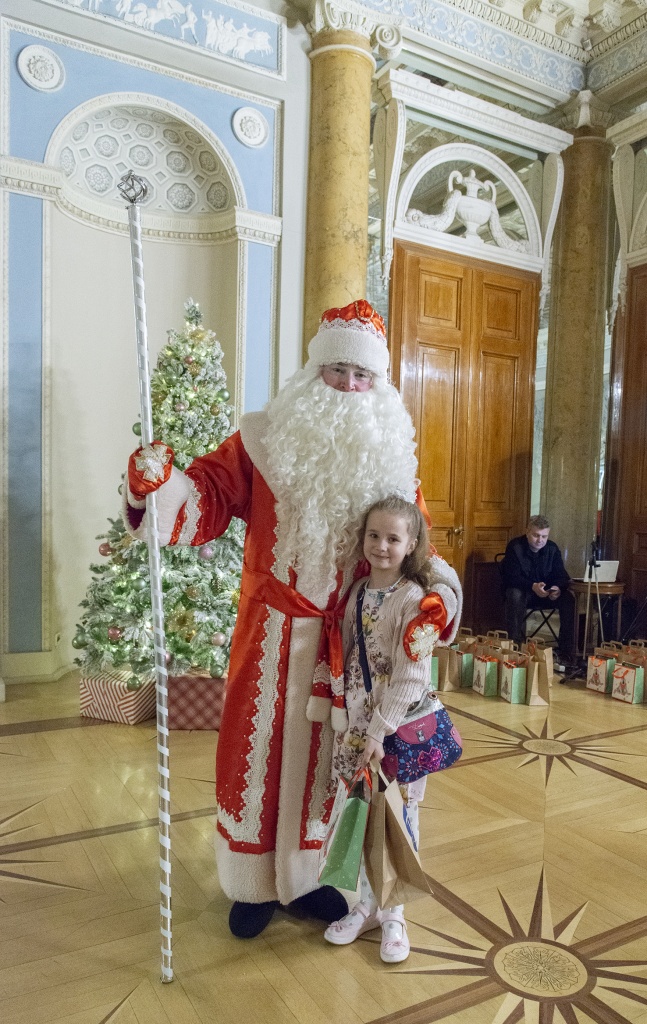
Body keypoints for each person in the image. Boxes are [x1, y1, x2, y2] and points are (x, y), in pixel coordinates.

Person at [124, 299, 462, 939]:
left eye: (364, 377)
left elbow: (423, 551)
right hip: (269, 635)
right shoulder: (262, 440)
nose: (351, 386)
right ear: (314, 372)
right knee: (255, 756)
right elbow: (205, 501)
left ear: (379, 386)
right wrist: (156, 486)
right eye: (339, 371)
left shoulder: (390, 461)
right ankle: (250, 884)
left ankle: (307, 881)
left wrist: (437, 603)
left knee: (328, 768)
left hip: (351, 646)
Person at [322, 495, 460, 963]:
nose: (382, 546)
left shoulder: (415, 600)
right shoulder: (357, 594)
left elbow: (411, 676)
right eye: (374, 536)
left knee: (400, 818)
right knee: (362, 815)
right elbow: (348, 659)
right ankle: (367, 902)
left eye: (393, 538)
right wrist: (349, 726)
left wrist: (378, 734)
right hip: (359, 731)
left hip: (397, 734)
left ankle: (394, 911)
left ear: (412, 543)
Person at [501, 515, 573, 667]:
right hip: (524, 592)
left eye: (544, 536)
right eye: (536, 535)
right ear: (527, 532)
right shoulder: (515, 546)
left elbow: (561, 575)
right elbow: (510, 577)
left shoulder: (552, 549)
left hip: (546, 594)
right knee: (514, 594)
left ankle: (567, 652)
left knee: (568, 598)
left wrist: (557, 589)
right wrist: (532, 586)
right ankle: (515, 647)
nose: (540, 540)